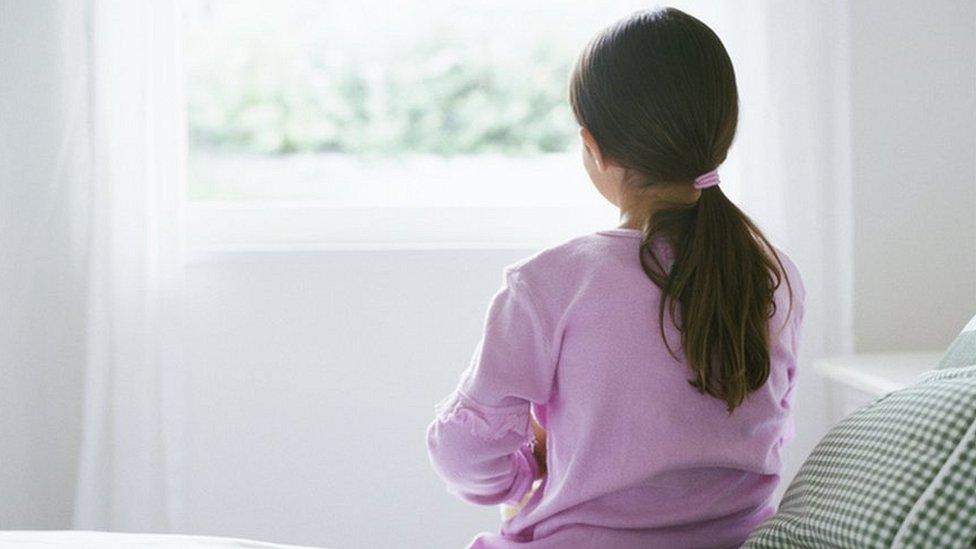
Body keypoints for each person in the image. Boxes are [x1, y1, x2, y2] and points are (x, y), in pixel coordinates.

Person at [426, 7, 805, 548]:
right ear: (719, 136)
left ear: (593, 146)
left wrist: (524, 471)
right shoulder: (774, 276)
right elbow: (767, 428)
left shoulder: (551, 283)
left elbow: (464, 455)